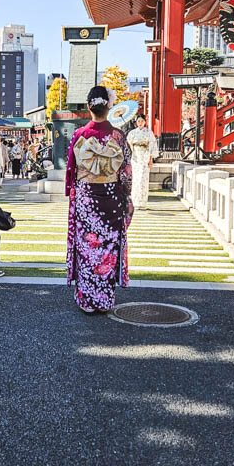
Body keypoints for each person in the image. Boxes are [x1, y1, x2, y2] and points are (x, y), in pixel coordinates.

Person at [65, 85, 133, 314]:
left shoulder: (79, 135)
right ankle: (104, 301)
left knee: (87, 247)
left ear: (88, 107)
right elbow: (126, 172)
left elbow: (71, 171)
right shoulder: (118, 136)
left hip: (86, 198)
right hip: (111, 198)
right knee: (107, 248)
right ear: (109, 106)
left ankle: (86, 300)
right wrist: (127, 196)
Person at [126, 113, 158, 210]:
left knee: (143, 179)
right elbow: (127, 146)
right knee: (135, 179)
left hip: (145, 156)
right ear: (136, 122)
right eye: (138, 121)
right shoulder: (132, 133)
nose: (140, 123)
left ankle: (142, 202)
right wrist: (131, 144)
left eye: (142, 121)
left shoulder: (149, 133)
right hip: (135, 157)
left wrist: (151, 159)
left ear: (145, 122)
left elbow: (152, 146)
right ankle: (135, 202)